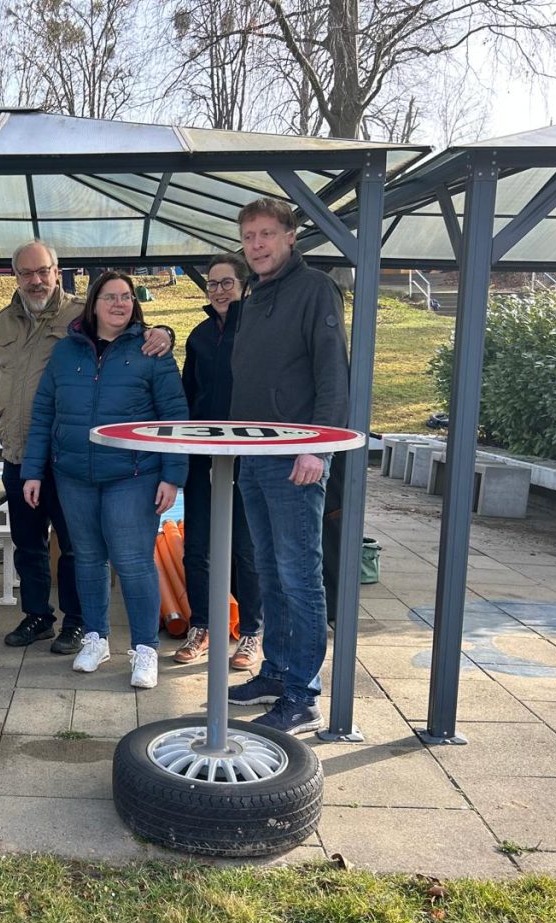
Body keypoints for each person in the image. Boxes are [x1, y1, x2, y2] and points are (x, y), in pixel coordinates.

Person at [0, 242, 172, 655]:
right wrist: (3, 424)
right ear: (15, 276)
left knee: (76, 547)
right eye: (26, 273)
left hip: (68, 455)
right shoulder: (4, 321)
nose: (36, 281)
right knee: (28, 542)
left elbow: (128, 330)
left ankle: (77, 623)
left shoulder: (80, 314)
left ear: (57, 271)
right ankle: (37, 615)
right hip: (20, 452)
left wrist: (164, 332)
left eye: (43, 271)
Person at [21, 271, 188, 690]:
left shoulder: (151, 350)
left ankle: (145, 648)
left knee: (133, 563)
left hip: (134, 475)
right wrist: (33, 471)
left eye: (126, 297)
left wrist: (172, 476)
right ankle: (95, 638)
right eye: (110, 297)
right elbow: (44, 413)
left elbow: (174, 418)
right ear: (92, 304)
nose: (119, 304)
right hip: (74, 476)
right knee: (88, 559)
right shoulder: (65, 352)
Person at [226, 197, 350, 735]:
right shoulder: (255, 295)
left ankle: (303, 695)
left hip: (295, 458)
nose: (257, 244)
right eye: (249, 236)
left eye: (266, 234)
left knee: (300, 576)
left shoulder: (315, 289)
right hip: (253, 456)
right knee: (269, 570)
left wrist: (317, 447)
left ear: (290, 236)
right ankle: (276, 672)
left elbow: (333, 374)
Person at [174, 253, 263, 671]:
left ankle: (251, 631)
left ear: (245, 285)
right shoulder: (200, 335)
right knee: (197, 546)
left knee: (246, 545)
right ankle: (202, 626)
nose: (219, 290)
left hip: (248, 454)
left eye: (227, 282)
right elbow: (187, 393)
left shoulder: (261, 330)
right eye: (212, 283)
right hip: (202, 454)